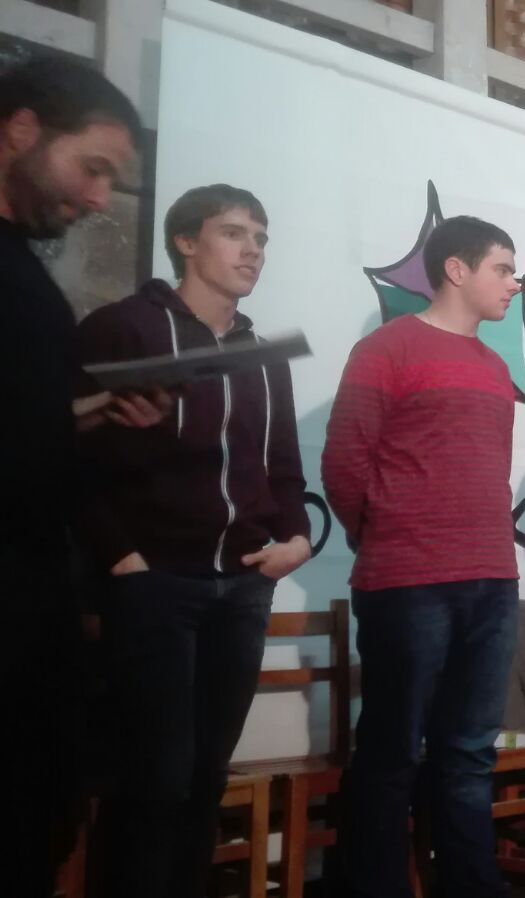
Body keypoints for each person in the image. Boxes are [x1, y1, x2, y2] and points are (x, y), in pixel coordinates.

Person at [77, 185, 311, 898]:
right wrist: (123, 557)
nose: (253, 251)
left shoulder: (261, 353)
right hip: (156, 584)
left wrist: (297, 538)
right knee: (155, 779)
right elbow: (68, 456)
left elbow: (283, 465)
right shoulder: (126, 327)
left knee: (207, 775)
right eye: (234, 233)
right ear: (186, 242)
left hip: (243, 585)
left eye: (261, 239)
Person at [0, 56, 164, 897]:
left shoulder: (26, 272)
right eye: (91, 168)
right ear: (22, 130)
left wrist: (88, 415)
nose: (100, 198)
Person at [323, 216, 523, 898]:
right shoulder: (387, 348)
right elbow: (345, 461)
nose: (514, 283)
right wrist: (388, 536)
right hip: (408, 581)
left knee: (470, 750)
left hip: (492, 579)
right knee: (391, 752)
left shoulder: (496, 368)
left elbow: (489, 470)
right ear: (457, 270)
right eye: (502, 268)